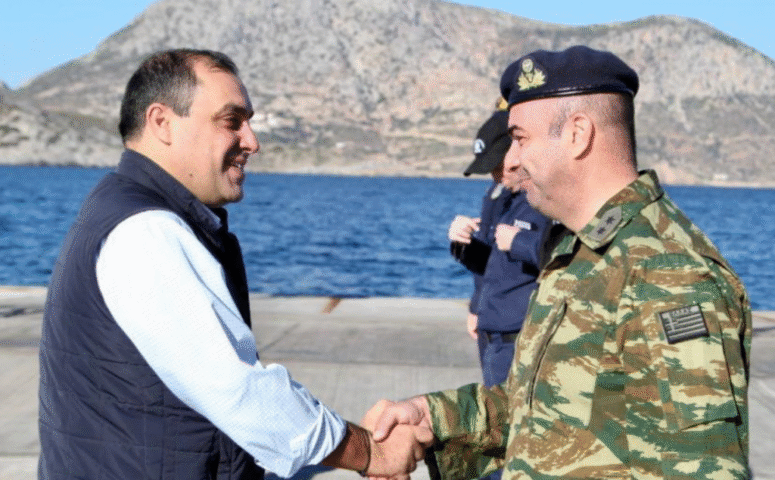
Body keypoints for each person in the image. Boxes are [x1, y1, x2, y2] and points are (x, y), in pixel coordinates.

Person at [38, 48, 431, 480]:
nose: (252, 141)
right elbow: (239, 391)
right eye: (231, 121)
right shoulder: (146, 230)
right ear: (162, 123)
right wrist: (369, 452)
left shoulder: (122, 208)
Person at [365, 46, 753, 478]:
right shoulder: (577, 252)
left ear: (577, 134)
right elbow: (539, 409)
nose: (511, 160)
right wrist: (432, 418)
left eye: (520, 138)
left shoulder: (665, 274)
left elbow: (700, 467)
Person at [449, 108, 551, 390]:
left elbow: (567, 257)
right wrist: (462, 243)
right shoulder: (501, 198)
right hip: (491, 333)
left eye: (496, 165)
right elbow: (491, 265)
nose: (495, 176)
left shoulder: (549, 200)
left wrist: (518, 242)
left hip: (522, 337)